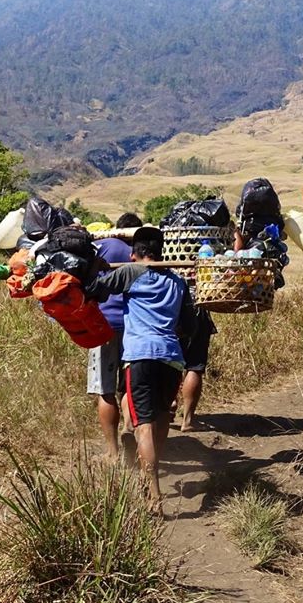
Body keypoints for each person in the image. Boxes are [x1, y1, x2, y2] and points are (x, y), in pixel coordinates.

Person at [86, 226, 197, 514]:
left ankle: (154, 496)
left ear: (134, 253)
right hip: (172, 358)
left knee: (143, 425)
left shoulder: (130, 272)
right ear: (161, 252)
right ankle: (150, 481)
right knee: (161, 420)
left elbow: (96, 292)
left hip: (139, 358)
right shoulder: (178, 281)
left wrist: (96, 268)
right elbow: (189, 326)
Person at [86, 212, 143, 459]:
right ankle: (129, 428)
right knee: (129, 385)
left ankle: (112, 451)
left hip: (102, 325)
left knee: (105, 390)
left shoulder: (101, 246)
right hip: (133, 325)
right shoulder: (139, 255)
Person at [179, 307, 217, 432]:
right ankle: (187, 420)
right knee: (194, 366)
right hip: (196, 310)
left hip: (169, 308)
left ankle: (169, 404)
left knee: (170, 361)